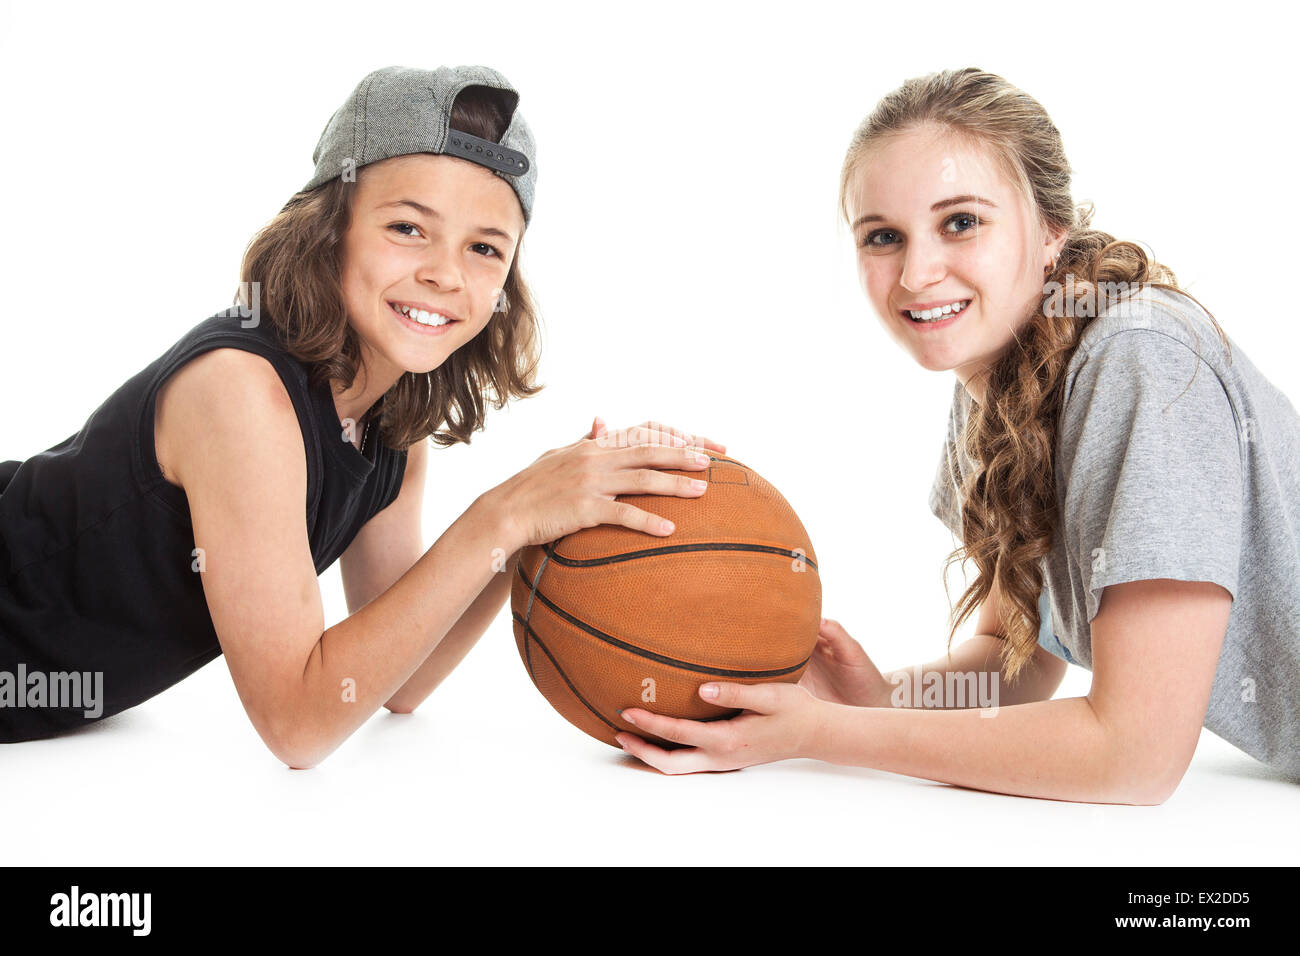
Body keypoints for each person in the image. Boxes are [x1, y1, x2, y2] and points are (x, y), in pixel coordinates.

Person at [0, 64, 723, 763]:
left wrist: (539, 520)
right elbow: (298, 723)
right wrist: (500, 516)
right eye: (409, 228)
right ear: (329, 226)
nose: (445, 273)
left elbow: (399, 679)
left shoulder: (392, 421)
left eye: (484, 248)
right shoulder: (240, 392)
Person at [615, 66, 1300, 803]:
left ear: (1049, 232)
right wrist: (872, 700)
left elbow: (1134, 754)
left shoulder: (1142, 359)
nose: (916, 273)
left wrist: (823, 735)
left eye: (961, 222)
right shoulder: (998, 380)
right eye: (883, 236)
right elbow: (1018, 657)